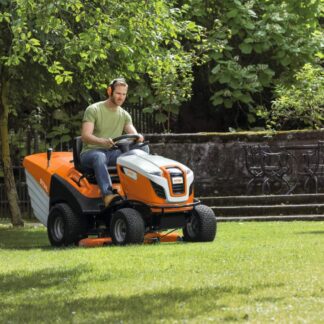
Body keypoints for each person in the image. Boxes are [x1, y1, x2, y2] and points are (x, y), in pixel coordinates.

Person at [80, 78, 146, 207]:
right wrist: (102, 142)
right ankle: (108, 195)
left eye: (123, 94)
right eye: (118, 93)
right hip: (91, 153)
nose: (121, 97)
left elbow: (133, 133)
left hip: (112, 154)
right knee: (100, 156)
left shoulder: (125, 115)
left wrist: (139, 137)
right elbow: (85, 136)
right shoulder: (93, 109)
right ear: (110, 91)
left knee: (142, 151)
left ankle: (139, 193)